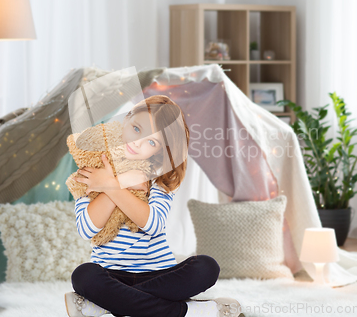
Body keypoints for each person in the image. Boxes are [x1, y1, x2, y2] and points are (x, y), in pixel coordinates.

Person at [64, 95, 241, 317]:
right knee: (83, 275)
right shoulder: (92, 169)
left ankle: (106, 306)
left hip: (159, 274)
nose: (137, 143)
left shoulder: (159, 179)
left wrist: (112, 186)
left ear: (159, 151)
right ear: (126, 120)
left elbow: (154, 225)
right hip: (110, 274)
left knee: (207, 267)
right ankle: (188, 312)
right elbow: (86, 229)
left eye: (151, 142)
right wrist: (114, 184)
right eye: (137, 129)